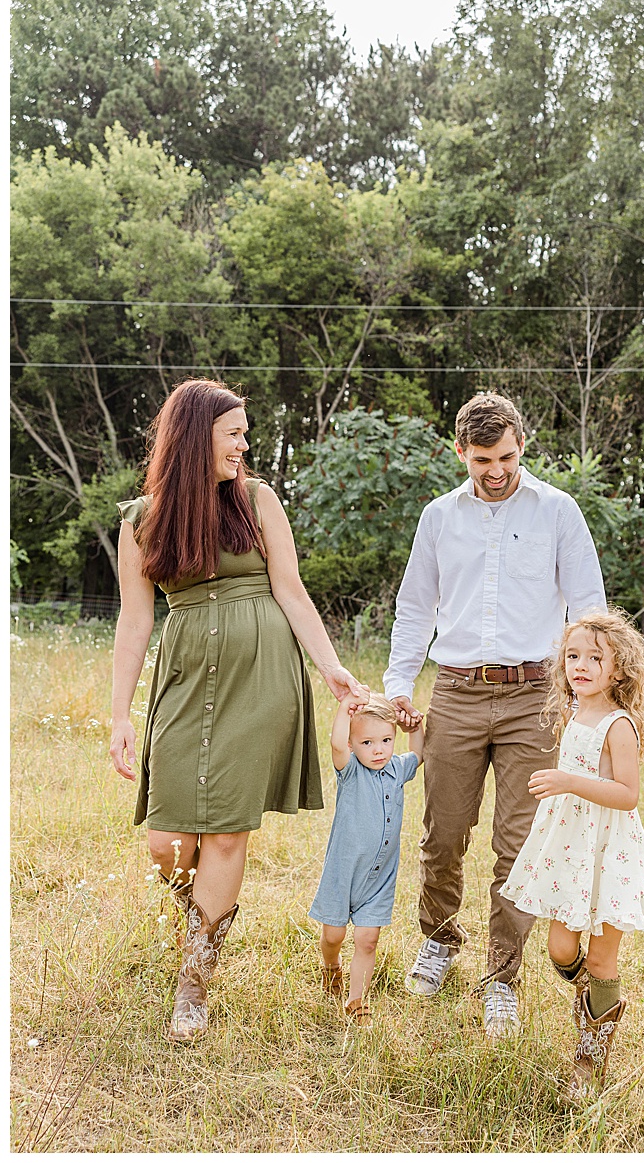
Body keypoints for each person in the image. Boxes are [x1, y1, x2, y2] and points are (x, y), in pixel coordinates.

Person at [108, 378, 366, 1043]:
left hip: (261, 679)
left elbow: (292, 591)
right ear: (198, 437)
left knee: (224, 832)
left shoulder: (256, 501)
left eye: (246, 433)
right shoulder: (140, 519)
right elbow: (135, 623)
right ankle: (199, 915)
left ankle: (192, 983)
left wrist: (331, 667)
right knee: (169, 841)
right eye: (234, 433)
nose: (244, 445)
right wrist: (119, 715)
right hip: (186, 676)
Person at [384, 391, 606, 1038]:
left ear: (522, 447)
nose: (497, 470)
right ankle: (440, 939)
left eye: (507, 456)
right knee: (443, 834)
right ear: (461, 452)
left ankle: (501, 976)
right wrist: (400, 681)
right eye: (484, 459)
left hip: (534, 696)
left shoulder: (558, 511)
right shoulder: (438, 517)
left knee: (518, 845)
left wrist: (591, 695)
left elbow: (589, 607)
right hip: (454, 691)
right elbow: (414, 606)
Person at [501, 609, 644, 1098]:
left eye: (595, 658)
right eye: (573, 656)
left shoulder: (620, 725)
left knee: (602, 957)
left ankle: (590, 1056)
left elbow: (627, 794)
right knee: (559, 947)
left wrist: (567, 781)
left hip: (609, 849)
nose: (581, 665)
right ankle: (593, 997)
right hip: (570, 845)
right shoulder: (573, 713)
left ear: (618, 669)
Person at [309, 693, 424, 1026]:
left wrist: (415, 727)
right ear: (353, 743)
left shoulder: (396, 769)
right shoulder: (351, 772)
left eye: (387, 740)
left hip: (378, 878)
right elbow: (335, 745)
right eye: (368, 742)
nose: (379, 750)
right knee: (334, 936)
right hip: (343, 873)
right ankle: (331, 966)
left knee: (367, 939)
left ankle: (356, 1001)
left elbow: (418, 754)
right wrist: (345, 709)